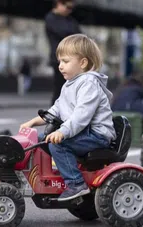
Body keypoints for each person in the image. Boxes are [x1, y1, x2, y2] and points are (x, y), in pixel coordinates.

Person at [19, 34, 115, 201]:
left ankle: (76, 184)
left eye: (65, 61)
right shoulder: (70, 84)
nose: (60, 66)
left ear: (83, 63)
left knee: (58, 144)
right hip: (83, 133)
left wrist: (62, 132)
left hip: (97, 135)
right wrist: (33, 122)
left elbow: (81, 116)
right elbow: (57, 110)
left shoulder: (89, 84)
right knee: (40, 139)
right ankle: (48, 176)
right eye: (59, 62)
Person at [45, 0, 81, 105]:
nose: (70, 10)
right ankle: (54, 113)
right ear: (59, 4)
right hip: (59, 59)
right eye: (68, 7)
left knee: (71, 90)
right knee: (60, 90)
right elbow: (65, 32)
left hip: (72, 59)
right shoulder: (51, 18)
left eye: (71, 8)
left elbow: (79, 35)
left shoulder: (70, 20)